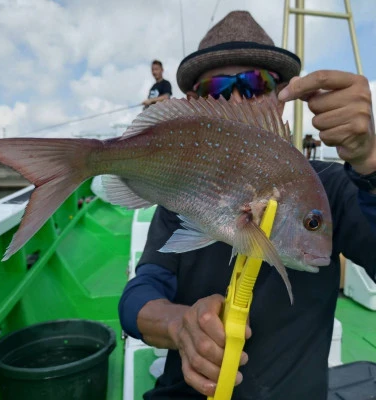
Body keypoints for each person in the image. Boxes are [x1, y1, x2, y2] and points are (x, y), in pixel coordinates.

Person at [119, 11, 376, 400]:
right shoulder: (181, 192)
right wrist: (179, 326)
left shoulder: (329, 187)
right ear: (195, 104)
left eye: (256, 83)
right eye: (218, 87)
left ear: (281, 96)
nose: (238, 98)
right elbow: (140, 293)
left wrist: (371, 162)